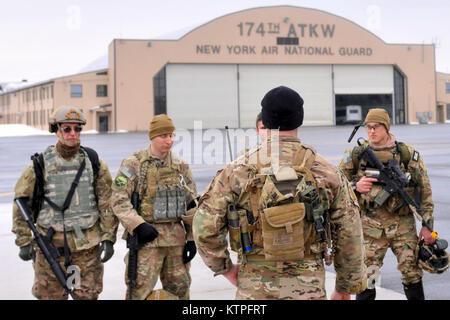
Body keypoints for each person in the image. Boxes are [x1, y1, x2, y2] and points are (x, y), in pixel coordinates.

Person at [193, 86, 366, 300]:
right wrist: (344, 287)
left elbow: (204, 229)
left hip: (254, 288)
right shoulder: (327, 171)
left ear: (265, 119)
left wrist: (226, 269)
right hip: (309, 287)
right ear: (299, 119)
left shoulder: (237, 170)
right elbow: (350, 232)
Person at [12, 106, 118, 300]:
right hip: (50, 248)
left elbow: (107, 202)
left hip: (86, 250)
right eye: (67, 129)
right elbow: (21, 202)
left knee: (87, 296)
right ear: (57, 131)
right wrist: (23, 241)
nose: (72, 134)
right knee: (49, 297)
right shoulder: (40, 164)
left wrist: (109, 237)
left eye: (77, 129)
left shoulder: (93, 162)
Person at [339, 108, 435, 300]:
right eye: (368, 127)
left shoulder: (407, 154)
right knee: (369, 275)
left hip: (403, 225)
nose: (371, 131)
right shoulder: (356, 155)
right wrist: (355, 186)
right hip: (370, 227)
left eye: (376, 127)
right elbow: (336, 185)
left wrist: (427, 227)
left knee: (412, 274)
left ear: (386, 127)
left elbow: (424, 192)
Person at [111, 114, 198, 300]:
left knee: (180, 290)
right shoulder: (133, 164)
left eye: (171, 135)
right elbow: (118, 199)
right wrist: (138, 225)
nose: (169, 141)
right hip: (146, 242)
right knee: (138, 292)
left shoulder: (180, 166)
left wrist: (191, 238)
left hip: (176, 242)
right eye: (164, 136)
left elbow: (191, 205)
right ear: (152, 137)